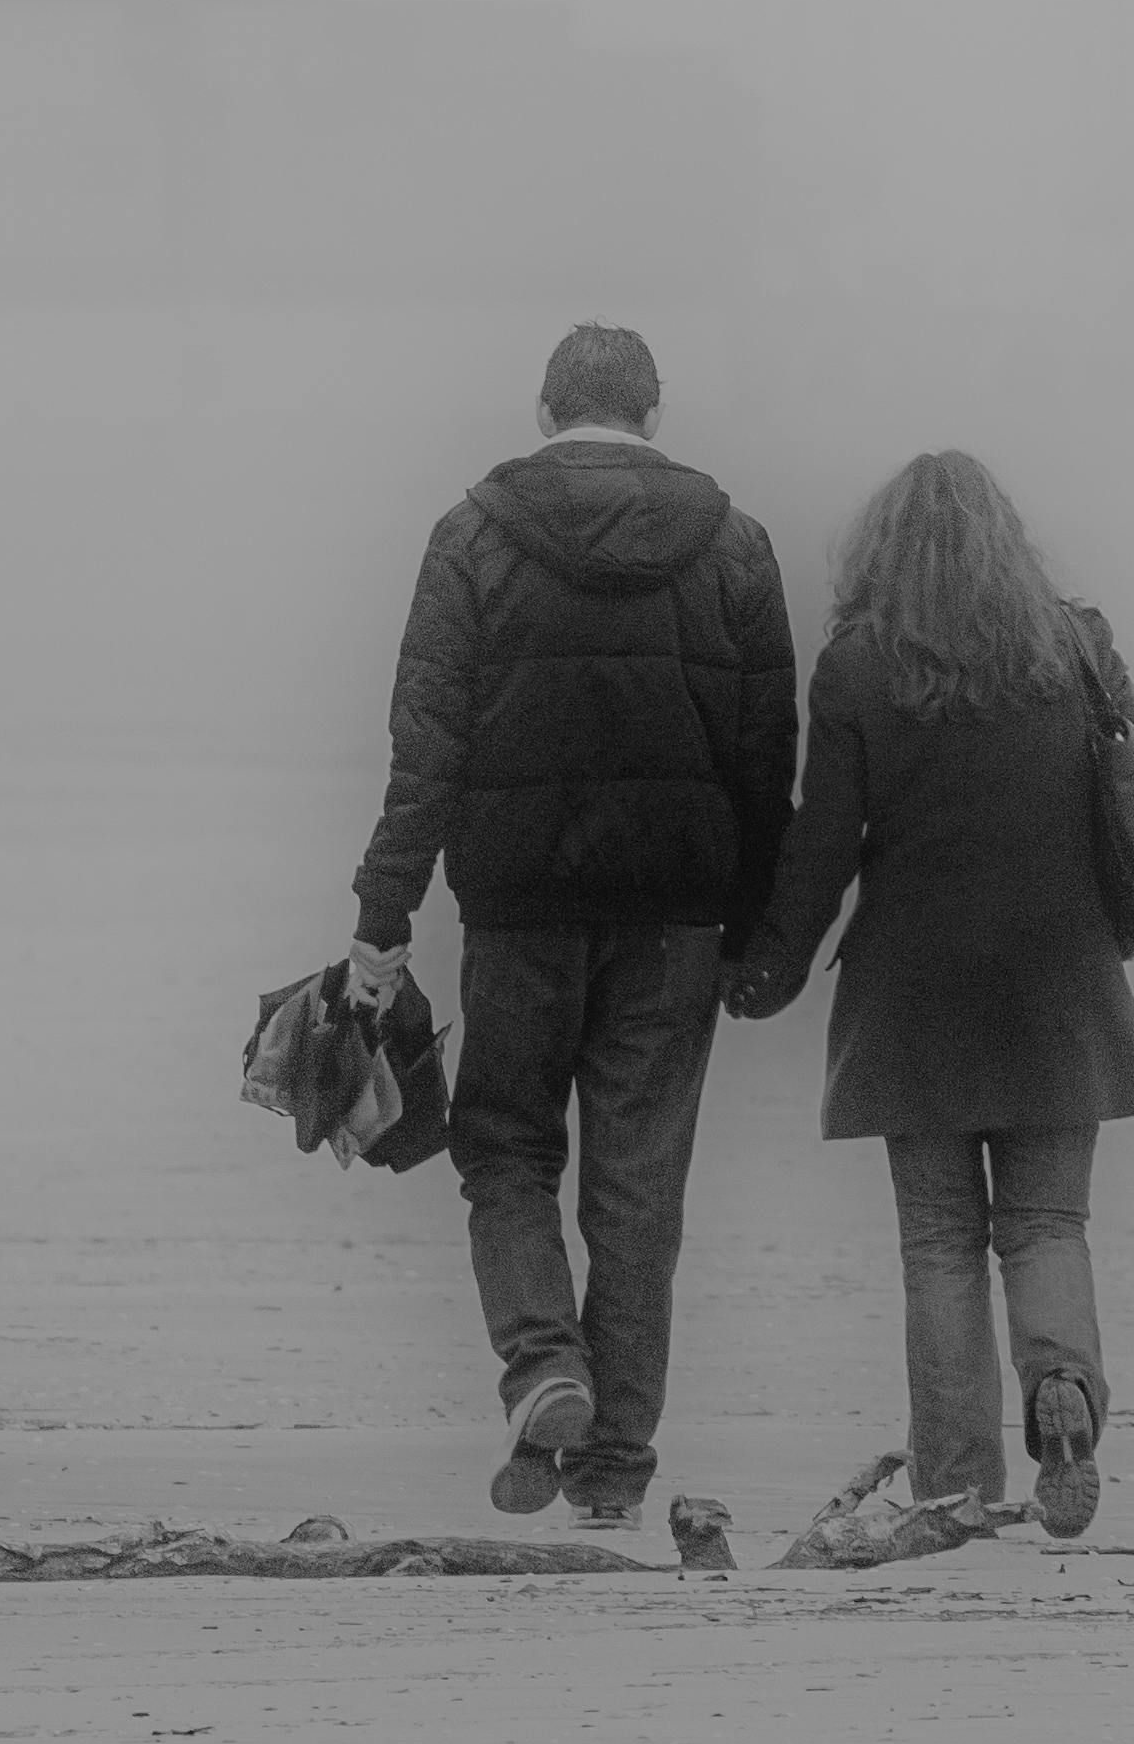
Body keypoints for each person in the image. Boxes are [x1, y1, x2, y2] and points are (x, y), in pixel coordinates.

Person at [339, 322, 800, 1527]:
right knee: (640, 1190)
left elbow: (424, 743)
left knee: (505, 1150)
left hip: (518, 909)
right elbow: (766, 758)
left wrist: (381, 918)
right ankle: (611, 1466)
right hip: (675, 920)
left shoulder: (473, 536)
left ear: (546, 411)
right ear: (652, 411)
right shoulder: (735, 545)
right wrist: (754, 926)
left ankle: (544, 1364)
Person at [725, 447, 1134, 1560]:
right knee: (1045, 1223)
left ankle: (957, 1484)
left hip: (915, 994)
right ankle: (1062, 1387)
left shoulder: (858, 669)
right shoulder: (1074, 644)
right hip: (1056, 980)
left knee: (938, 1240)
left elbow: (821, 845)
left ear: (882, 551)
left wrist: (765, 971)